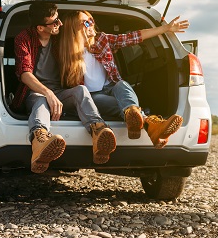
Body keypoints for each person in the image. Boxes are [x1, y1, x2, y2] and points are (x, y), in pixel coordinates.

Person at [58, 10, 189, 148]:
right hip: (90, 97)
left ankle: (136, 117)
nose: (91, 24)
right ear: (73, 27)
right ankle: (150, 125)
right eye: (86, 22)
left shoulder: (102, 40)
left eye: (91, 21)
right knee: (120, 105)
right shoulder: (63, 50)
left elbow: (132, 37)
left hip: (111, 88)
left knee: (122, 85)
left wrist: (165, 28)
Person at [11, 2, 116, 174]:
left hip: (60, 92)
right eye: (54, 22)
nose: (59, 24)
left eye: (58, 19)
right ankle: (40, 142)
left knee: (81, 90)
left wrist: (87, 24)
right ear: (40, 28)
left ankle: (98, 132)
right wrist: (48, 92)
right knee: (40, 101)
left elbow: (81, 35)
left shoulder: (60, 37)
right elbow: (24, 74)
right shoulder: (24, 38)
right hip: (35, 91)